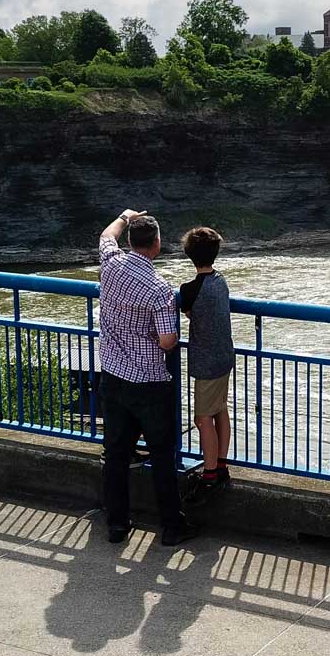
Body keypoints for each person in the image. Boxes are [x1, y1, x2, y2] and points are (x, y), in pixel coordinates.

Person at [97, 209, 195, 546]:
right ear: (155, 245)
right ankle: (171, 526)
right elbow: (168, 341)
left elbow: (106, 237)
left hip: (112, 374)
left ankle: (117, 524)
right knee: (163, 454)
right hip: (150, 382)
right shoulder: (159, 289)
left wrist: (124, 216)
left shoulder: (110, 264)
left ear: (130, 241)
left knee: (116, 453)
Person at [179, 226, 235, 501]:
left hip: (206, 362)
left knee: (202, 419)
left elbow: (190, 313)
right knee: (220, 410)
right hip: (224, 356)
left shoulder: (189, 289)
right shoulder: (221, 280)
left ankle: (210, 475)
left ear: (189, 254)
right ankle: (221, 465)